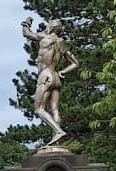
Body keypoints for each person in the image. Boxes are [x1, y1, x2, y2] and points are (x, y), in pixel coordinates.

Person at [20, 17, 78, 146]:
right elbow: (75, 63)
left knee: (38, 109)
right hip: (56, 76)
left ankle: (58, 132)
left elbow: (27, 34)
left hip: (45, 75)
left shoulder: (45, 37)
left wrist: (26, 24)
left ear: (51, 27)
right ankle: (56, 142)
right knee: (54, 109)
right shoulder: (61, 43)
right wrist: (63, 72)